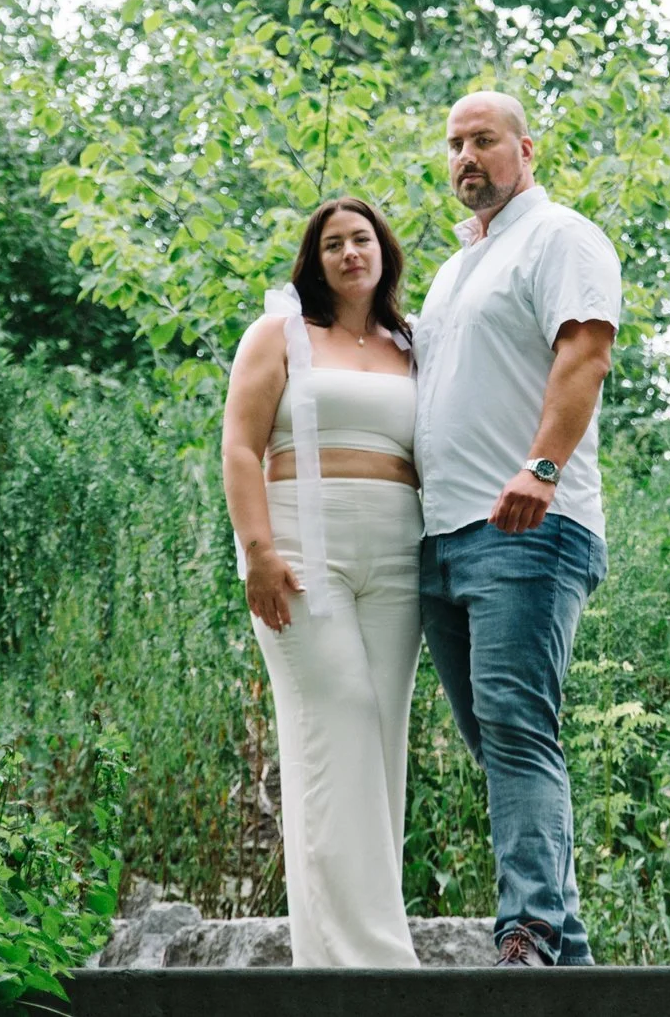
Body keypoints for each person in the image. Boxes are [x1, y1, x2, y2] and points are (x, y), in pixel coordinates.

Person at [411, 91, 621, 967]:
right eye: (454, 143)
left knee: (517, 728)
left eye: (484, 139)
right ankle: (562, 958)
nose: (467, 156)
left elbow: (586, 352)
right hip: (443, 540)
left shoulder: (560, 236)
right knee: (497, 742)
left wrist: (542, 467)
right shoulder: (454, 269)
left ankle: (528, 931)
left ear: (526, 150)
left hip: (526, 528)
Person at [218, 196, 423, 967]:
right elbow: (241, 447)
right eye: (333, 243)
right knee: (336, 720)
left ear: (383, 252)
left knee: (381, 741)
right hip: (303, 549)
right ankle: (377, 965)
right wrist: (257, 552)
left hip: (399, 553)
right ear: (316, 260)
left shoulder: (412, 343)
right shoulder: (279, 334)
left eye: (361, 239)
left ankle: (333, 960)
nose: (349, 253)